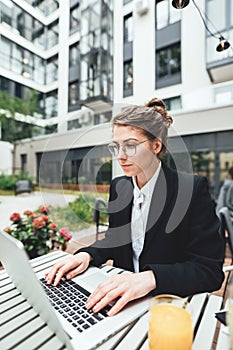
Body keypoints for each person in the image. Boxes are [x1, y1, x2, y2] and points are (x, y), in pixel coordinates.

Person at [46, 97, 224, 317]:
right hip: (122, 304)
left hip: (167, 307)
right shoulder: (120, 186)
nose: (120, 156)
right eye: (116, 146)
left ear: (156, 145)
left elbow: (209, 271)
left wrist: (150, 278)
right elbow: (115, 239)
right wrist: (87, 255)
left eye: (130, 145)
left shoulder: (191, 189)